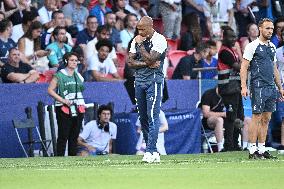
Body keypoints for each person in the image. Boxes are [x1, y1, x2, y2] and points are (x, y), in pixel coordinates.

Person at [240, 18, 284, 159]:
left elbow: (274, 69)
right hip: (258, 86)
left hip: (271, 87)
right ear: (260, 29)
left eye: (272, 28)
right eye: (267, 28)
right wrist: (244, 86)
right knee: (256, 118)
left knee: (266, 118)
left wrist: (280, 87)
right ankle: (252, 150)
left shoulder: (272, 47)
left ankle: (262, 148)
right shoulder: (252, 46)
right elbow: (244, 67)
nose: (270, 31)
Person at [127, 16, 167, 163]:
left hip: (154, 81)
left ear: (151, 26)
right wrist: (146, 64)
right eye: (138, 28)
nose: (140, 31)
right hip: (139, 81)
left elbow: (152, 59)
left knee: (152, 116)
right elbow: (130, 62)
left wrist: (142, 46)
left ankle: (149, 150)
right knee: (143, 117)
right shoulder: (135, 40)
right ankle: (153, 150)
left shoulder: (160, 40)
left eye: (142, 28)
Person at [47, 52, 85, 156]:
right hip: (63, 107)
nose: (74, 62)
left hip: (78, 107)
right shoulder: (59, 75)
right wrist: (63, 101)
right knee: (63, 135)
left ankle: (72, 158)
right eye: (72, 60)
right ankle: (60, 157)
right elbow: (50, 90)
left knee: (74, 135)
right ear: (66, 61)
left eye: (76, 60)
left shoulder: (79, 76)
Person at [217, 27, 244, 151]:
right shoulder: (224, 52)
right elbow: (238, 67)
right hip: (228, 89)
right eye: (231, 37)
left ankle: (235, 143)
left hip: (235, 88)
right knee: (231, 117)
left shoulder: (230, 50)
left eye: (235, 36)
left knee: (239, 117)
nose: (234, 39)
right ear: (224, 38)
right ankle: (228, 146)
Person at [201, 87, 225, 152]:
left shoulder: (229, 95)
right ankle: (220, 148)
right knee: (219, 120)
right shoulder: (208, 94)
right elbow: (206, 113)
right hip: (209, 121)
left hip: (227, 120)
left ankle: (246, 147)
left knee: (246, 120)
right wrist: (223, 114)